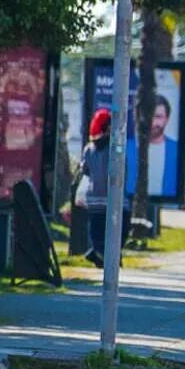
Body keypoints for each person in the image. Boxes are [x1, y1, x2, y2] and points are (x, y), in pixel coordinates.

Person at [78, 108, 114, 267]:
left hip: (93, 195)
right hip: (111, 195)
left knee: (96, 228)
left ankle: (98, 254)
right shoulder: (114, 146)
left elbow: (84, 170)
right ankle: (105, 257)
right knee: (116, 228)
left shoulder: (90, 147)